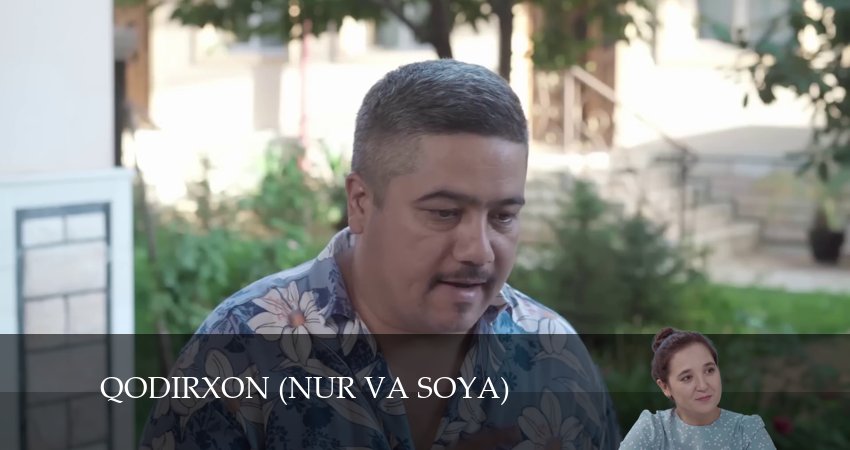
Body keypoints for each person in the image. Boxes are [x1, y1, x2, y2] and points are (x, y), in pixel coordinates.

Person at [140, 59, 619, 450]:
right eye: (444, 213)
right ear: (361, 203)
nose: (478, 251)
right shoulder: (239, 351)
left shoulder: (555, 358)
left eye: (503, 217)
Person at [619, 327, 776, 450]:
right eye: (687, 377)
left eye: (709, 370)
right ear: (665, 387)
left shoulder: (746, 431)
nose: (703, 385)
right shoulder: (652, 430)